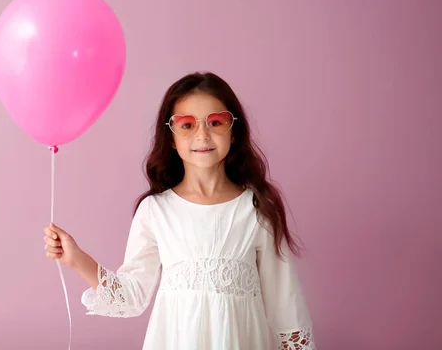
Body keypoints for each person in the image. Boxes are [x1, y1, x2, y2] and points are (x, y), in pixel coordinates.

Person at [44, 72, 315, 349]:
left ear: (234, 131)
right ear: (171, 137)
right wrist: (76, 258)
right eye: (186, 125)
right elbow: (132, 296)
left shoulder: (257, 209)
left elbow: (285, 305)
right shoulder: (156, 210)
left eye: (216, 122)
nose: (202, 134)